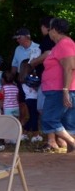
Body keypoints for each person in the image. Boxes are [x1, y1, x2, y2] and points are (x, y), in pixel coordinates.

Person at [39, 18, 75, 154]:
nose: (49, 32)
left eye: (50, 30)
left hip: (59, 90)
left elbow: (69, 68)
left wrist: (65, 91)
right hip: (61, 89)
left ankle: (73, 143)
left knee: (49, 119)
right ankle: (71, 153)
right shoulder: (62, 44)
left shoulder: (64, 44)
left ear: (54, 30)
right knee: (68, 121)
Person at [30, 17, 61, 152]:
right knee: (54, 110)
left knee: (44, 109)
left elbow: (47, 54)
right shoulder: (64, 42)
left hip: (49, 81)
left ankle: (52, 140)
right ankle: (59, 139)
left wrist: (34, 62)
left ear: (47, 27)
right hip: (57, 81)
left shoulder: (48, 41)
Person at [19, 59, 41, 142]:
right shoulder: (31, 79)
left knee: (32, 117)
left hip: (28, 99)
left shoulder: (23, 80)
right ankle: (35, 135)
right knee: (34, 117)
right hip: (33, 100)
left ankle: (24, 133)